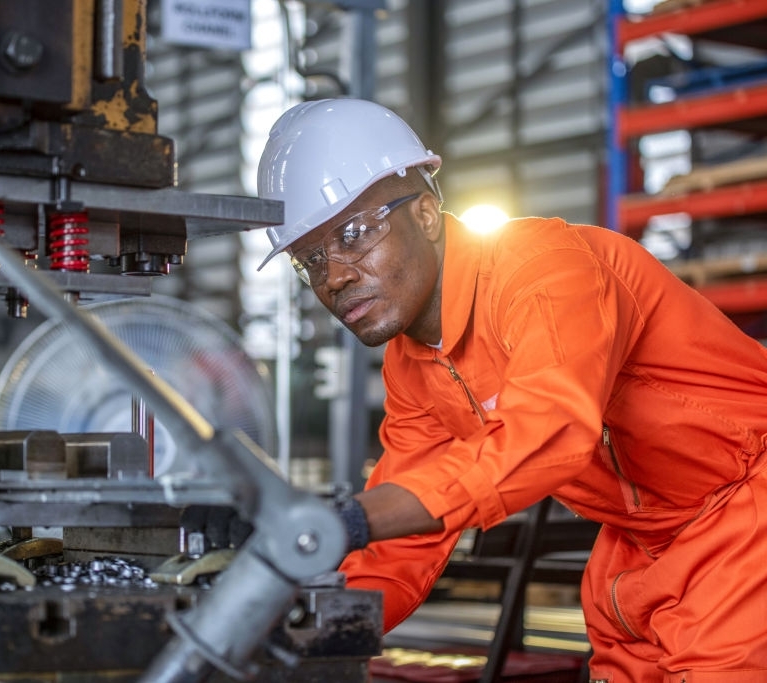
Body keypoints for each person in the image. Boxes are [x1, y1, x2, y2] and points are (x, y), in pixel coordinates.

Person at [256, 98, 767, 683]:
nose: (335, 277)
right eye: (310, 259)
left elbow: (550, 432)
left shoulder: (543, 271)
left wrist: (352, 517)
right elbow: (404, 545)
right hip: (640, 552)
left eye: (353, 235)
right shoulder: (413, 365)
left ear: (425, 214)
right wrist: (300, 632)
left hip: (746, 510)